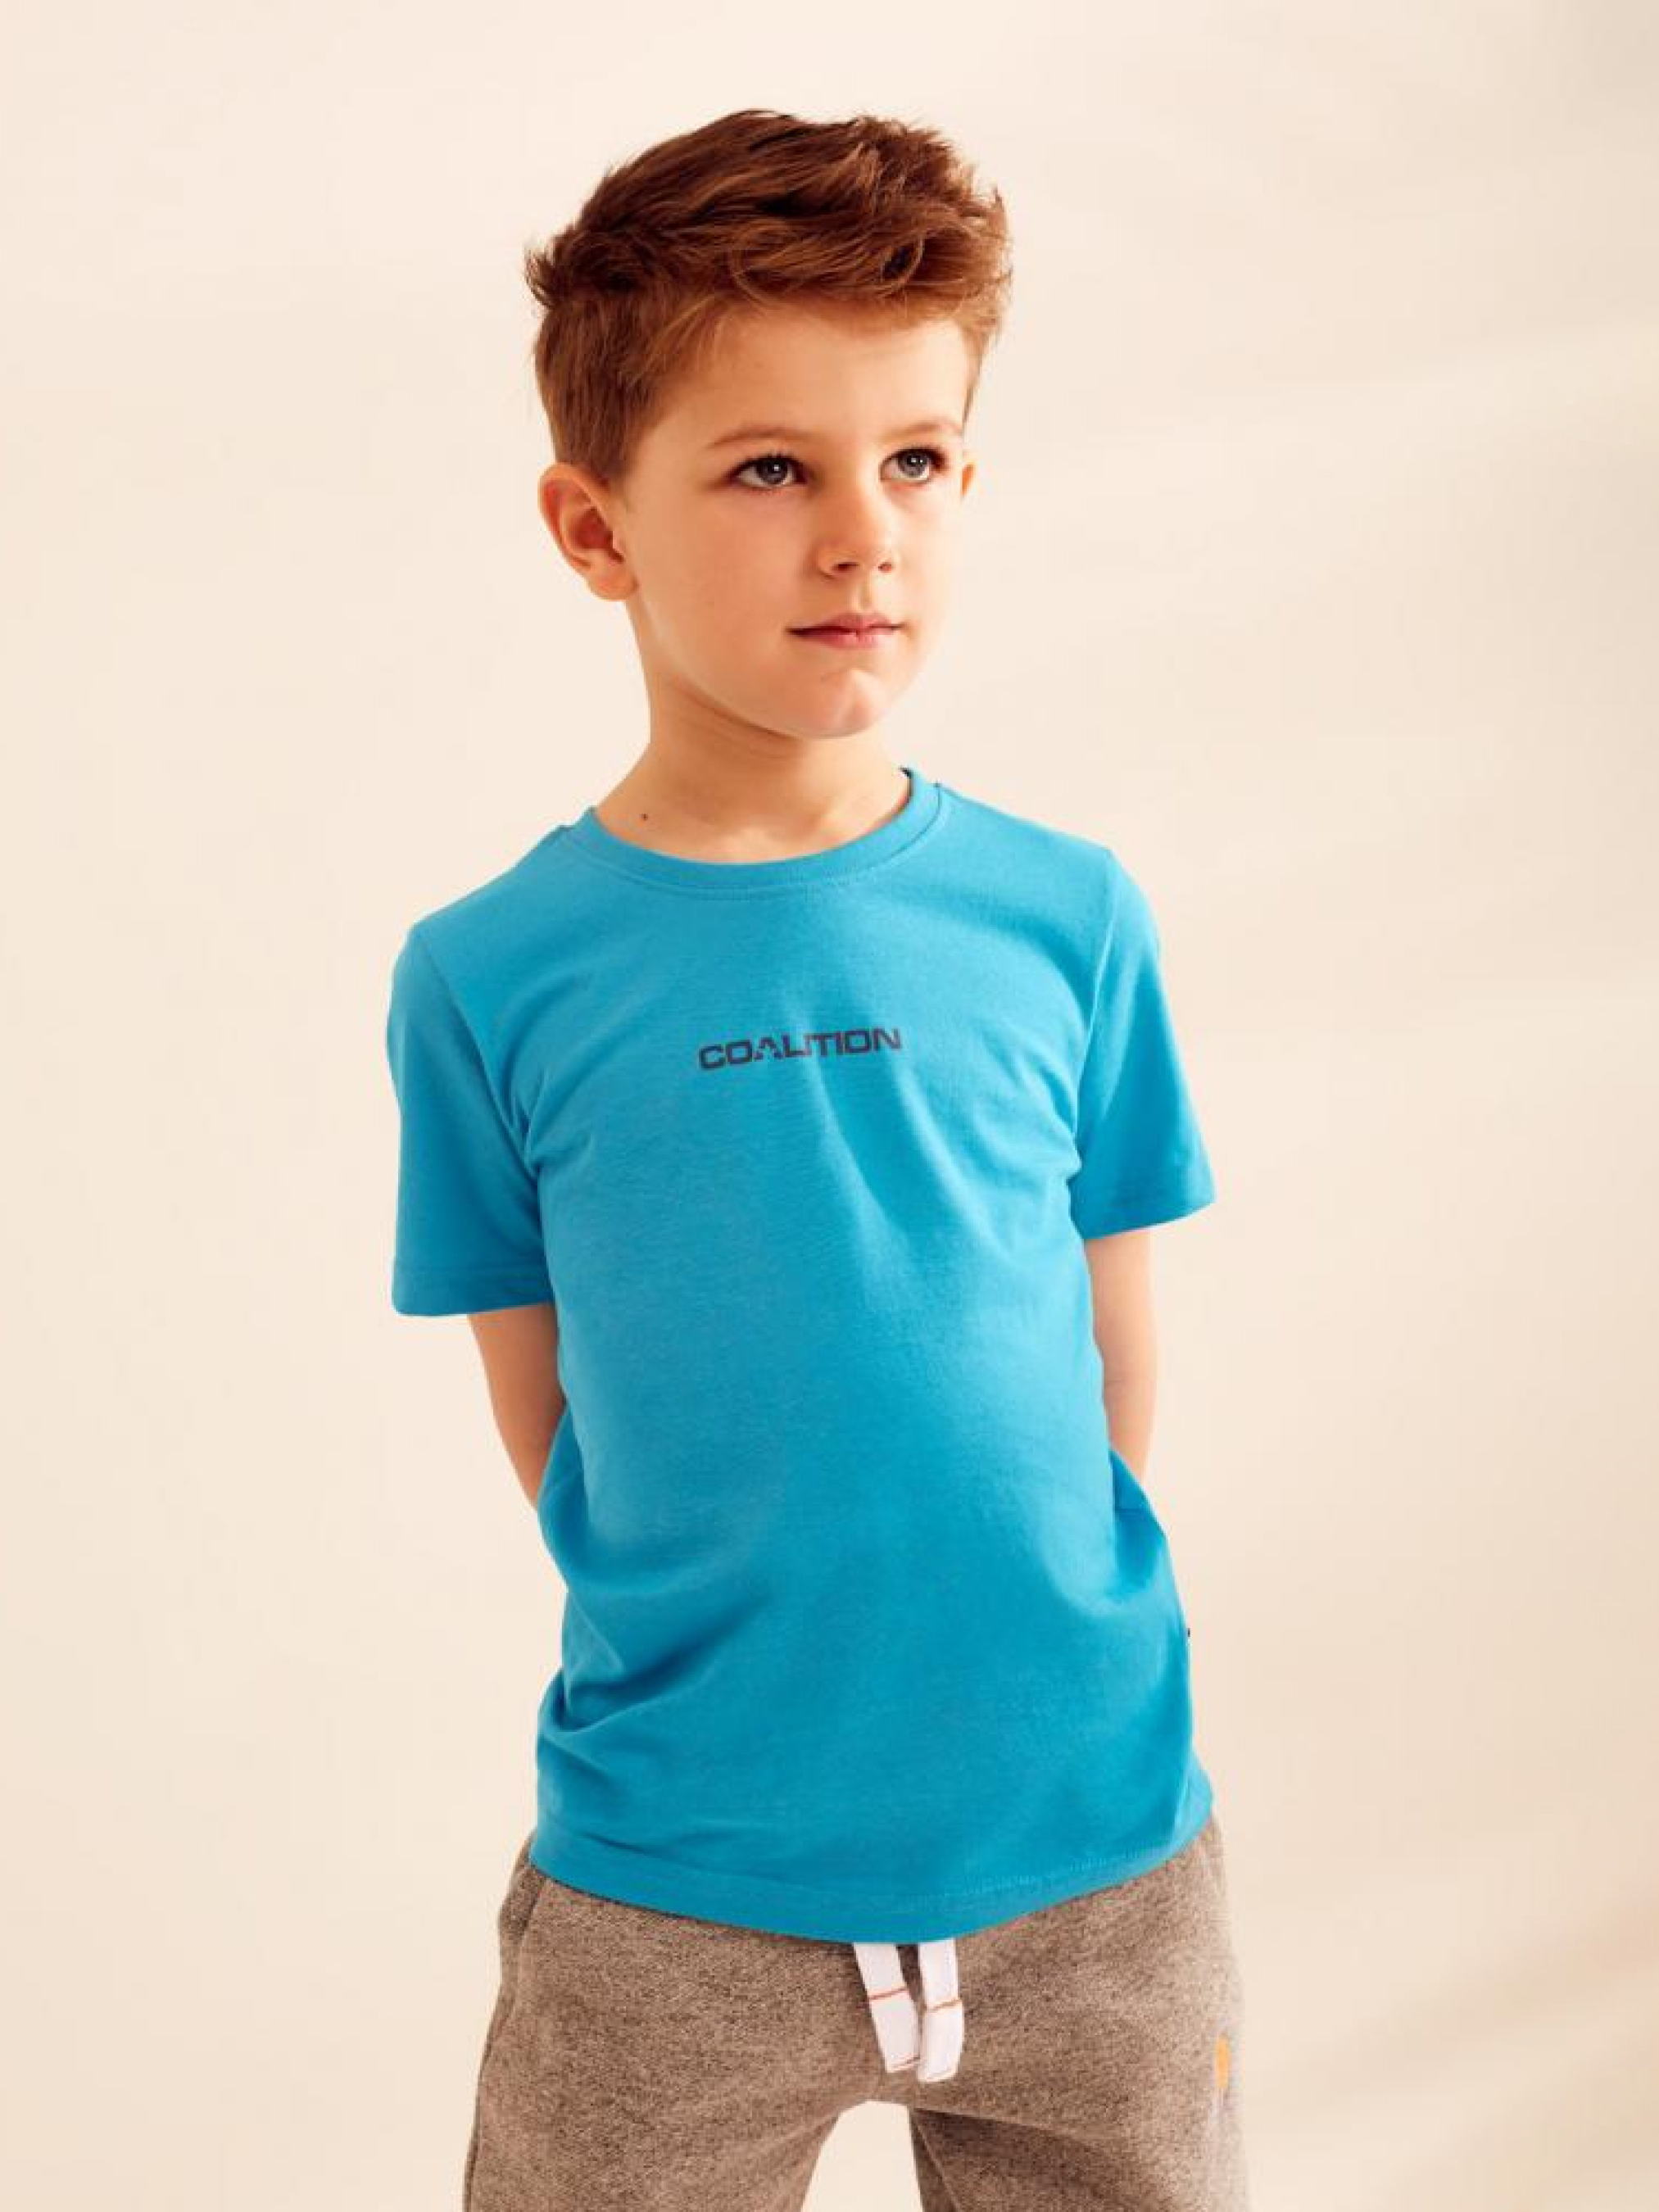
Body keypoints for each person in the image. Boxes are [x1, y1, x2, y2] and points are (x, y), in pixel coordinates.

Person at [384, 105, 1250, 2212]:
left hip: (1094, 1867)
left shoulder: (1067, 915)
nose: (864, 536)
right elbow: (553, 1418)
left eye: (917, 460)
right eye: (771, 469)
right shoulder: (487, 975)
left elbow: (1106, 1362)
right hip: (677, 1885)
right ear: (593, 526)